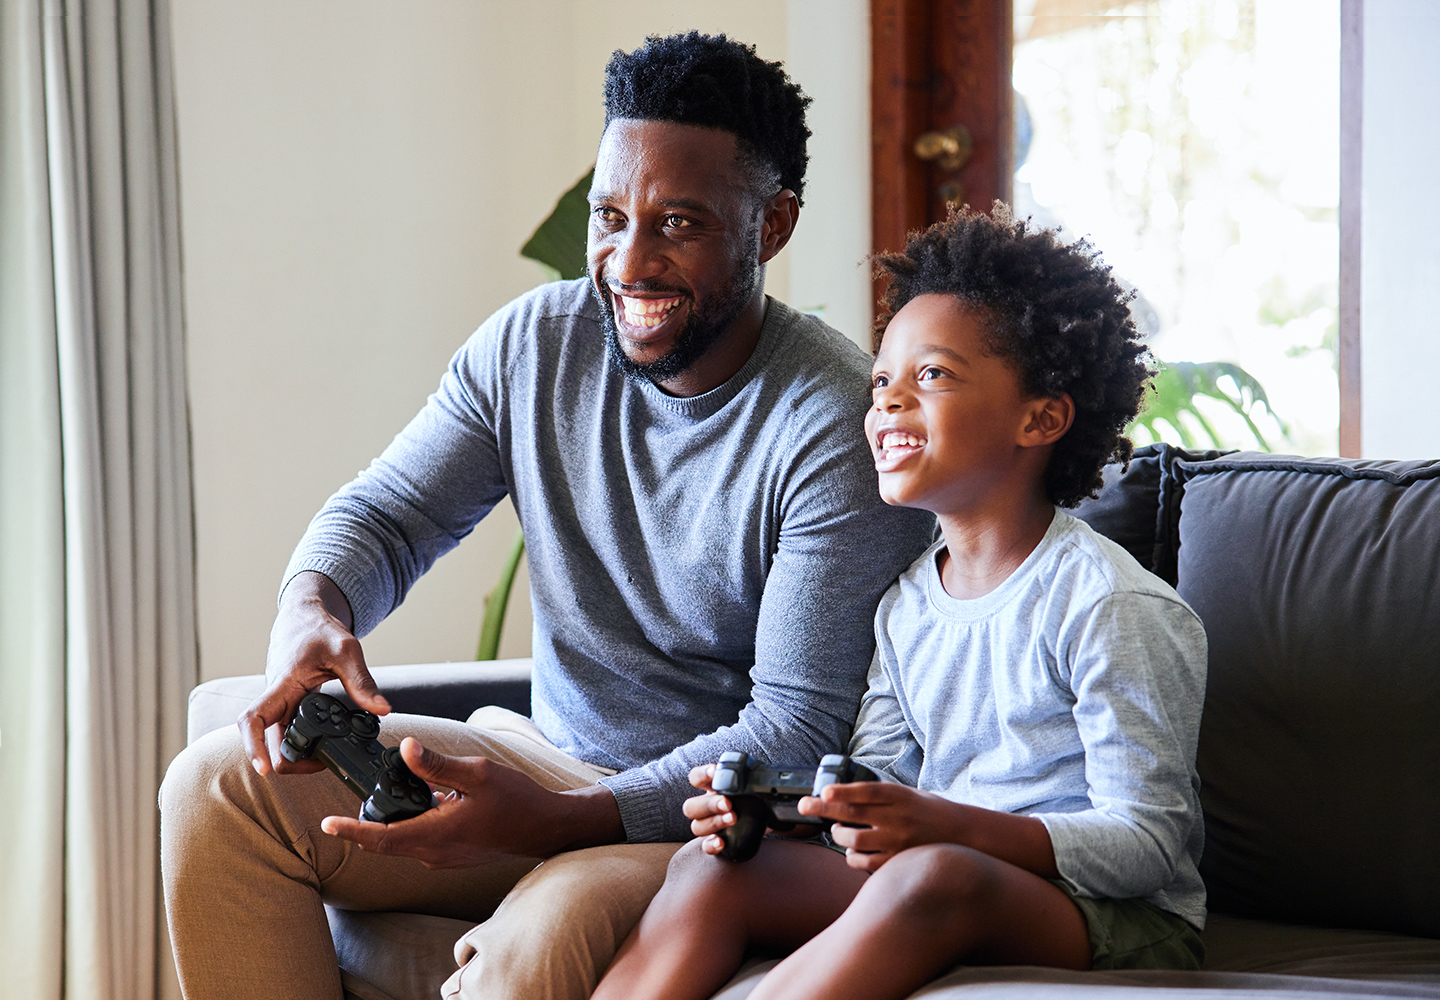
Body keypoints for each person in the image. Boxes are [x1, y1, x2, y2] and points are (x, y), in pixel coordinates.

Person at [158, 32, 936, 1000]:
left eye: (680, 223)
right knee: (216, 788)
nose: (630, 261)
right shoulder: (537, 343)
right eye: (610, 217)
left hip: (715, 823)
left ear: (771, 225)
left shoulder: (833, 422)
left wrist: (557, 821)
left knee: (535, 940)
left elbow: (791, 724)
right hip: (542, 756)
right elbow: (392, 513)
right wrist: (312, 607)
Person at [591, 206, 1210, 1000]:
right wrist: (785, 809)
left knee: (935, 878)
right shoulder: (908, 605)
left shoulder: (1110, 605)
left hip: (1120, 918)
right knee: (712, 866)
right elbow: (880, 774)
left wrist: (948, 828)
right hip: (939, 872)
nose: (887, 404)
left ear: (1041, 417)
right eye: (882, 379)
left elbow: (1148, 842)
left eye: (934, 375)